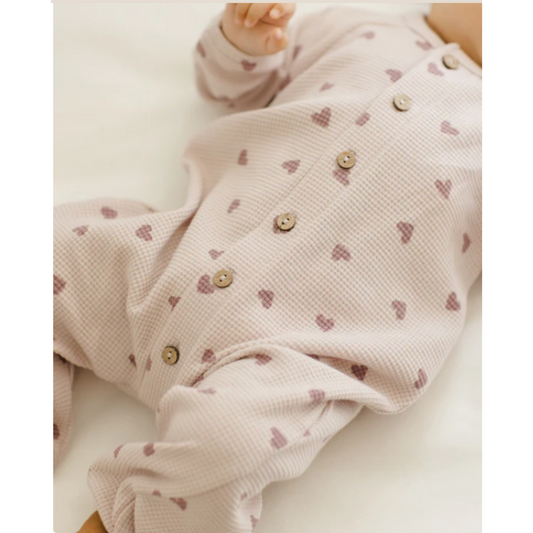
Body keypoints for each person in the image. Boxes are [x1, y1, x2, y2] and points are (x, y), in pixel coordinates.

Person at [55, 4, 485, 532]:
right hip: (176, 258)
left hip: (290, 353)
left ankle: (140, 518)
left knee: (229, 445)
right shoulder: (358, 27)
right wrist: (243, 44)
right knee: (60, 249)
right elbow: (233, 88)